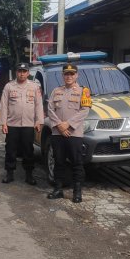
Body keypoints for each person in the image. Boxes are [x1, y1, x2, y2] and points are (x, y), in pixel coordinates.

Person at [47, 63, 91, 203]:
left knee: (77, 163)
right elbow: (50, 109)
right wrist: (60, 125)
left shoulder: (83, 91)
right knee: (58, 161)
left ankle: (77, 192)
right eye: (66, 74)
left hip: (74, 134)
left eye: (72, 74)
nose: (69, 76)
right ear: (63, 75)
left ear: (76, 75)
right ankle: (58, 189)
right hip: (57, 133)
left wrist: (68, 124)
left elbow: (85, 110)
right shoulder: (56, 91)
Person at [0, 62, 43, 185]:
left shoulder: (34, 87)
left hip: (28, 125)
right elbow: (4, 105)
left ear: (28, 73)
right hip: (12, 124)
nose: (22, 73)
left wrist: (39, 121)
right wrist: (3, 123)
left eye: (24, 71)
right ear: (16, 72)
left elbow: (39, 105)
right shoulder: (9, 86)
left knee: (28, 150)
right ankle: (9, 173)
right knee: (10, 150)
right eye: (20, 71)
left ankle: (29, 175)